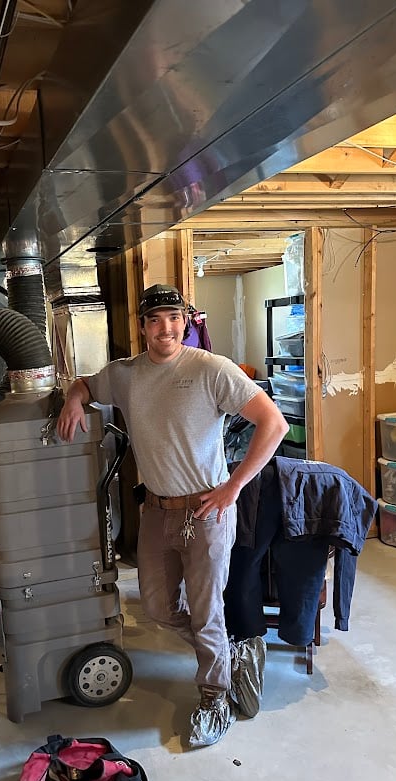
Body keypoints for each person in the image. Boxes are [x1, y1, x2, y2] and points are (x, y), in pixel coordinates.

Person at [56, 283, 288, 747]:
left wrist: (233, 486)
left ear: (186, 321)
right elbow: (86, 383)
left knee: (206, 612)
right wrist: (73, 397)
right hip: (157, 512)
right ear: (142, 326)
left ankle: (214, 695)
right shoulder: (124, 375)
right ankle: (227, 651)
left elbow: (274, 423)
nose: (166, 328)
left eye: (174, 318)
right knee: (159, 609)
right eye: (155, 319)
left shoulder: (211, 370)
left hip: (206, 510)